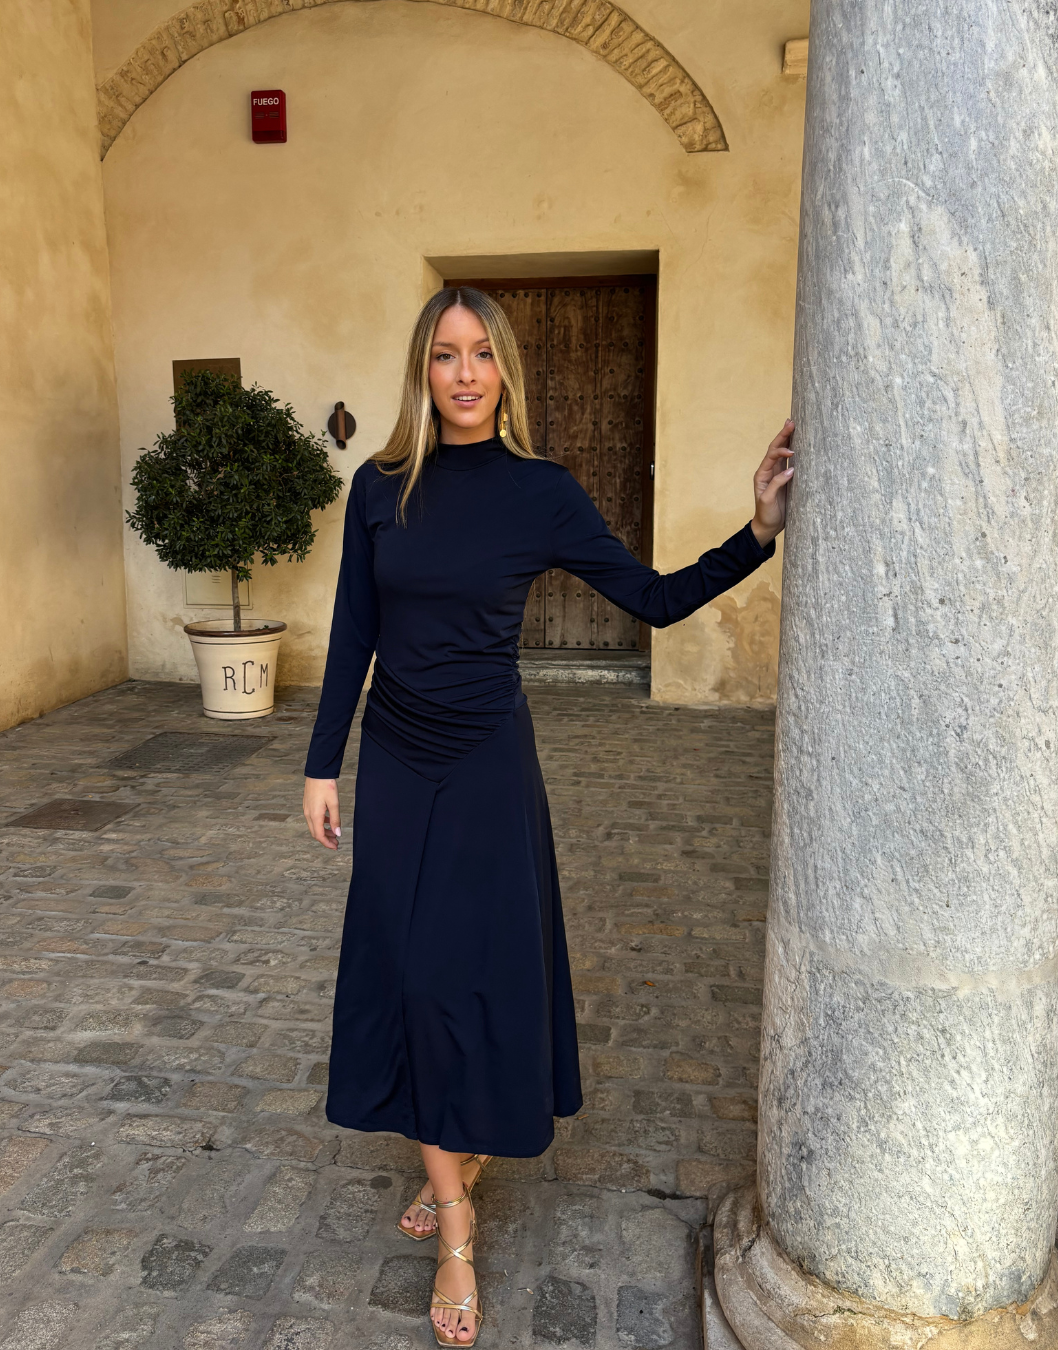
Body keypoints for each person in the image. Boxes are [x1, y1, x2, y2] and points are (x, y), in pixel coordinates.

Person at [302, 286, 793, 1346]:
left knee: (471, 969)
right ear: (422, 369)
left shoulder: (541, 491)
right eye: (446, 354)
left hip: (487, 764)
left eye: (482, 354)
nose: (465, 374)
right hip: (397, 758)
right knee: (408, 972)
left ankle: (459, 1159)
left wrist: (758, 531)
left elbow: (654, 598)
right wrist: (320, 764)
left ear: (505, 372)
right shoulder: (379, 487)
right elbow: (352, 632)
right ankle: (458, 1218)